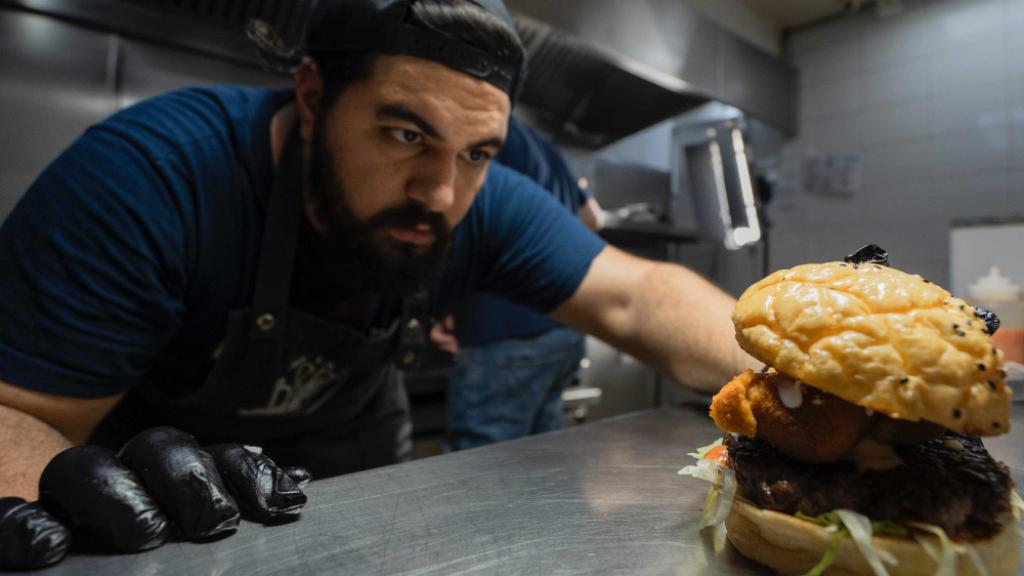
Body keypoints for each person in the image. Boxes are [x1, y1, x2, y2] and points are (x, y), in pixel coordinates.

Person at [0, 0, 758, 568]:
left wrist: (819, 372)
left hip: (349, 475)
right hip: (162, 505)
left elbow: (638, 296)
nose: (440, 192)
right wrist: (94, 498)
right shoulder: (155, 177)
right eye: (406, 135)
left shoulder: (475, 199)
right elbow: (20, 411)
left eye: (477, 153)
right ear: (311, 96)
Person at [439, 117, 602, 451]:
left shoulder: (484, 131)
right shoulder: (543, 145)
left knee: (478, 472)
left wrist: (439, 303)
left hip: (503, 331)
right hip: (564, 330)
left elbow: (450, 209)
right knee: (539, 464)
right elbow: (592, 218)